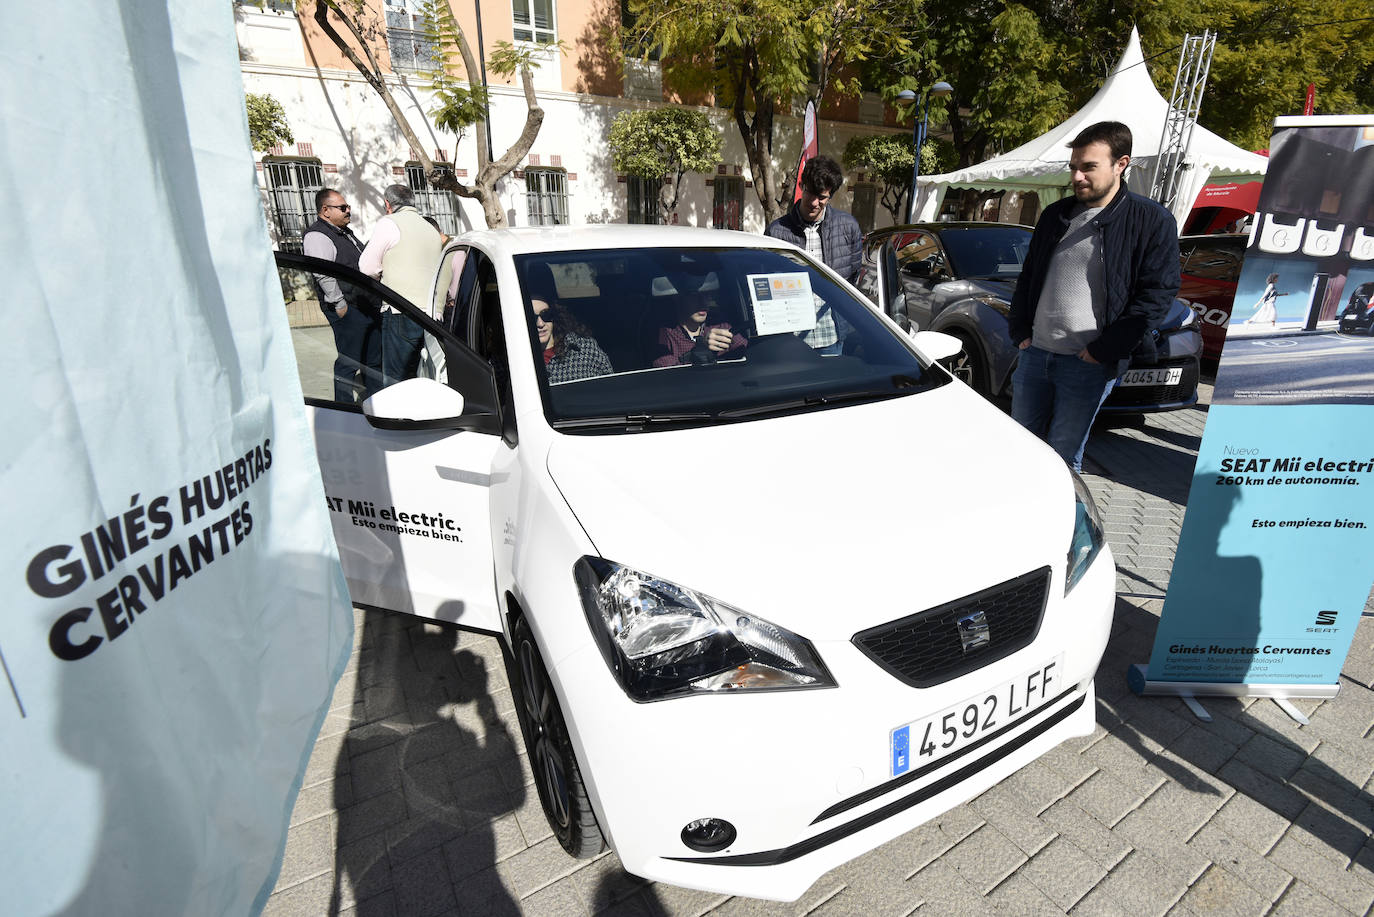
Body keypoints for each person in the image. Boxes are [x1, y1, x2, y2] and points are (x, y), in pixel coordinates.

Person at [1007, 120, 1180, 472]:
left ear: (1121, 164)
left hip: (1086, 364)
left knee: (1062, 458)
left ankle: (1063, 523)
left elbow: (1156, 295)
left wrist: (1104, 351)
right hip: (1035, 354)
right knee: (1021, 446)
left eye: (1089, 167)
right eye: (1074, 167)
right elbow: (1029, 276)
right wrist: (1020, 330)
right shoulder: (1056, 214)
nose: (1078, 177)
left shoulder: (1150, 220)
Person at [765, 155, 862, 354]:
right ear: (801, 186)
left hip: (832, 335)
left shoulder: (848, 227)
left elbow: (852, 279)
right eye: (810, 193)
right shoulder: (776, 232)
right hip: (788, 338)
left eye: (822, 197)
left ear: (830, 196)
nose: (815, 202)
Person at [302, 188, 382, 402]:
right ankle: (345, 410)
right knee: (350, 361)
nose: (348, 211)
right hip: (348, 307)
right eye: (343, 207)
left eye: (348, 206)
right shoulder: (317, 235)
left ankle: (377, 403)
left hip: (365, 305)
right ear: (325, 210)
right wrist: (339, 303)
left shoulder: (345, 232)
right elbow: (323, 272)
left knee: (372, 360)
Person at [358, 184, 444, 384]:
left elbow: (367, 267)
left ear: (388, 204)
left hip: (401, 311)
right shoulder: (430, 227)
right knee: (427, 375)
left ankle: (400, 416)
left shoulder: (389, 223)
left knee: (398, 378)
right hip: (432, 312)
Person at [653, 291, 746, 367]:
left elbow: (748, 352)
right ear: (678, 298)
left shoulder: (721, 327)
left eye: (707, 295)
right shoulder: (665, 334)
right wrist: (701, 349)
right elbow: (665, 369)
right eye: (694, 296)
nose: (703, 302)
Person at [531, 297, 612, 383]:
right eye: (531, 317)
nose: (540, 324)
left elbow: (611, 389)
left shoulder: (584, 349)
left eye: (546, 315)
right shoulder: (517, 362)